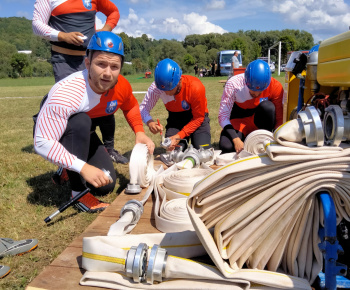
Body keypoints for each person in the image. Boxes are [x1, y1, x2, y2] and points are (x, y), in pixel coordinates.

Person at [33, 32, 155, 213]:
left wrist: (139, 131)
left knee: (106, 185)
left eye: (114, 66)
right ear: (88, 63)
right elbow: (42, 142)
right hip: (56, 131)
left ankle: (66, 167)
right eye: (101, 64)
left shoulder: (121, 85)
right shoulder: (67, 93)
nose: (107, 73)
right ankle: (77, 194)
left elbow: (130, 106)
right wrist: (83, 167)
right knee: (81, 121)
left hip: (83, 131)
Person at [32, 0, 128, 183]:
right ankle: (71, 168)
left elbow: (113, 12)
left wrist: (103, 32)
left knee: (101, 103)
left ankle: (103, 150)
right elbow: (37, 26)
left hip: (93, 57)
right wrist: (62, 36)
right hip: (65, 59)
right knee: (74, 114)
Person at [140, 58, 212, 152]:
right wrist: (150, 122)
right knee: (174, 152)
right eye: (163, 90)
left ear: (179, 80)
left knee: (203, 151)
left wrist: (179, 136)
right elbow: (143, 108)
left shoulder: (195, 87)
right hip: (176, 120)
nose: (165, 92)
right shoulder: (157, 87)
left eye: (169, 89)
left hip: (197, 119)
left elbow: (198, 118)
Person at [218, 59, 283, 154]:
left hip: (259, 119)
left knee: (268, 107)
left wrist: (278, 137)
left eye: (260, 91)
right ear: (246, 80)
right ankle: (244, 137)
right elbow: (223, 116)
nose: (256, 94)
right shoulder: (233, 84)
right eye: (252, 90)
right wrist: (235, 139)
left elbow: (279, 116)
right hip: (239, 119)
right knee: (226, 147)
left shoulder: (275, 86)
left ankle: (264, 136)